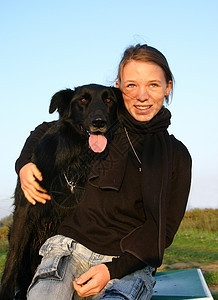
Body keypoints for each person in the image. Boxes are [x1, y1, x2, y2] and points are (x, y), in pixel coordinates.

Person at [15, 44, 192, 299]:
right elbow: (45, 129)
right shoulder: (101, 128)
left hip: (129, 263)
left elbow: (162, 232)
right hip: (70, 250)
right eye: (132, 85)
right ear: (118, 88)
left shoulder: (177, 155)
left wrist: (112, 271)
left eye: (153, 85)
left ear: (168, 87)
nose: (142, 95)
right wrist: (23, 164)